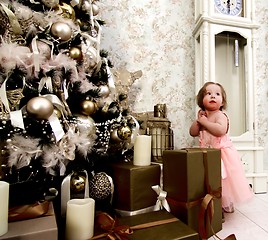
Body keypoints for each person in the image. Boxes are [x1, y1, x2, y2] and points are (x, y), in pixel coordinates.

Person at [189, 82, 253, 215]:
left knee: (222, 181)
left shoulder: (220, 115)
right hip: (206, 154)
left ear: (222, 102)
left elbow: (220, 130)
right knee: (208, 180)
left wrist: (205, 123)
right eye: (208, 93)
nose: (213, 96)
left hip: (222, 155)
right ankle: (210, 201)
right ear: (201, 100)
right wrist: (198, 121)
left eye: (217, 94)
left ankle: (224, 203)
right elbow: (193, 132)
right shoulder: (203, 117)